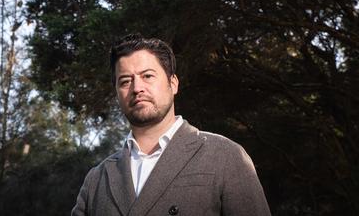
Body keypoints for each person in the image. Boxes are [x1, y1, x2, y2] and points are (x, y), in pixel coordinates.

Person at [71, 34, 271, 216]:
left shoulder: (225, 155)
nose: (137, 88)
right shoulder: (97, 179)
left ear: (173, 83)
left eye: (147, 76)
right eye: (125, 81)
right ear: (117, 93)